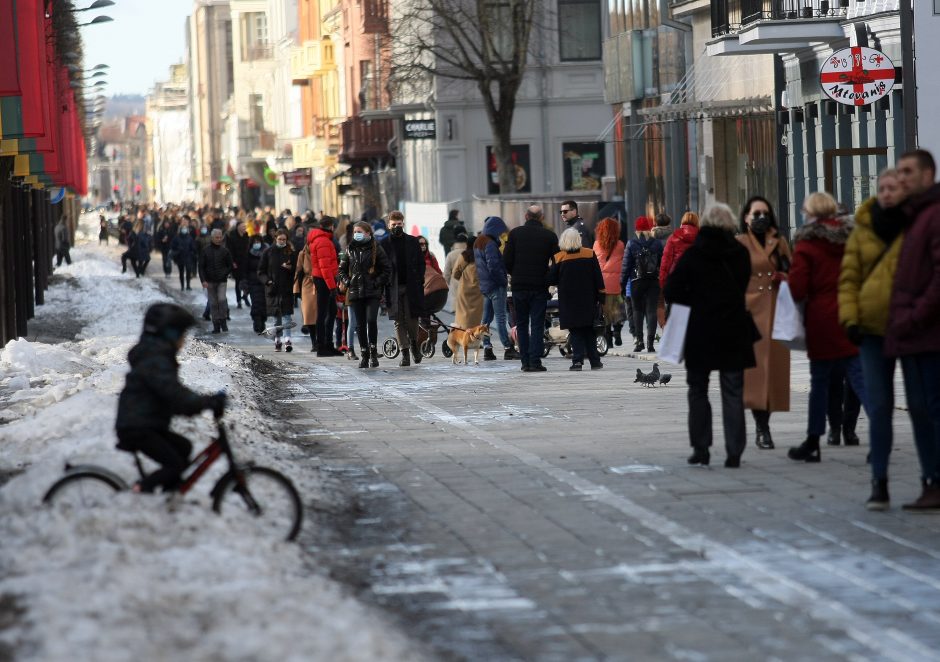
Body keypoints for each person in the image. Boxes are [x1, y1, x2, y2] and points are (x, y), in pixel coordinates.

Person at [664, 203, 756, 468]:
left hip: (699, 331)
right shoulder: (740, 254)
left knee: (698, 390)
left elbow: (671, 290)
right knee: (733, 391)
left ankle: (701, 448)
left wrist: (695, 298)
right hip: (733, 329)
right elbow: (743, 284)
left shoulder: (694, 255)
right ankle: (734, 451)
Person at [786, 191, 867, 464]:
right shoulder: (853, 238)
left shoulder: (807, 244)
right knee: (859, 378)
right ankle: (881, 433)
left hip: (821, 318)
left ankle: (813, 440)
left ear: (810, 213)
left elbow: (797, 288)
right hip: (851, 313)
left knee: (820, 382)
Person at [115, 303, 226, 493]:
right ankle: (138, 492)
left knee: (183, 448)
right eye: (182, 334)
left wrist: (195, 404)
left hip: (147, 422)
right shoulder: (155, 359)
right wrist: (204, 403)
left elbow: (169, 395)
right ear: (169, 334)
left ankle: (167, 499)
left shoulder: (157, 354)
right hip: (138, 426)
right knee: (174, 464)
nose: (184, 340)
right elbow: (173, 393)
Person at [885, 149, 940, 511]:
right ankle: (931, 480)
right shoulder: (913, 215)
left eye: (907, 171)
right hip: (914, 332)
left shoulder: (931, 215)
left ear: (926, 175)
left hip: (925, 332)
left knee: (929, 410)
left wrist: (913, 317)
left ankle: (935, 481)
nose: (901, 178)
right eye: (899, 171)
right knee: (921, 410)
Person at [738, 196, 792, 450]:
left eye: (765, 213)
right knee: (756, 375)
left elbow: (792, 270)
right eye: (756, 214)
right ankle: (762, 428)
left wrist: (785, 275)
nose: (761, 218)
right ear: (746, 217)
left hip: (775, 313)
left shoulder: (779, 241)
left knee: (773, 374)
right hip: (749, 314)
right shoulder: (739, 243)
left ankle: (765, 423)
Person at [504, 205, 560, 372]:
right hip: (539, 287)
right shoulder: (550, 236)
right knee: (537, 324)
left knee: (521, 324)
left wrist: (515, 274)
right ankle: (535, 361)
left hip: (519, 287)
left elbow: (506, 261)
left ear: (526, 216)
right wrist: (548, 279)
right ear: (541, 217)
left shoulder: (514, 234)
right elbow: (557, 262)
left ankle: (525, 362)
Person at [548, 228, 605, 371]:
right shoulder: (589, 253)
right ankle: (595, 361)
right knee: (589, 330)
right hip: (588, 299)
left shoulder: (559, 257)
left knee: (575, 331)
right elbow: (598, 277)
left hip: (568, 300)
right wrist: (601, 296)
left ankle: (577, 361)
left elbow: (551, 279)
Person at [339, 221, 391, 368]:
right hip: (355, 292)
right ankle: (364, 354)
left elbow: (386, 269)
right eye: (355, 232)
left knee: (371, 320)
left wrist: (376, 283)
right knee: (360, 325)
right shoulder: (350, 248)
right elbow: (341, 269)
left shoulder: (376, 247)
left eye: (360, 232)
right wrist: (347, 281)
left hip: (372, 292)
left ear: (368, 233)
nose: (357, 234)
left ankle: (373, 352)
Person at [381, 210, 426, 367]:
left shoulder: (412, 241)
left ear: (403, 224)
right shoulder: (384, 244)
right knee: (399, 321)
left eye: (399, 224)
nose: (396, 227)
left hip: (411, 286)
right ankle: (405, 353)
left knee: (412, 318)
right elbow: (382, 265)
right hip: (393, 287)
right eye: (393, 225)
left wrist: (419, 278)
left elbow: (421, 263)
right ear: (388, 225)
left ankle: (414, 344)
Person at [621, 216, 664, 353]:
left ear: (636, 229)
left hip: (636, 282)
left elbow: (626, 266)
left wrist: (622, 284)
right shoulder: (657, 244)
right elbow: (662, 264)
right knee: (651, 311)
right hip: (653, 282)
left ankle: (639, 342)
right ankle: (650, 344)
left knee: (637, 311)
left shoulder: (631, 243)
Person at [474, 216, 514, 362]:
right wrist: (503, 281)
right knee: (501, 318)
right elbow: (494, 266)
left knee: (486, 320)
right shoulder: (490, 244)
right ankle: (508, 347)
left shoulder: (478, 243)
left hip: (486, 286)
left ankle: (487, 348)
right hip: (496, 286)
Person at [307, 216, 342, 357]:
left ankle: (328, 344)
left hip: (323, 279)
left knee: (331, 311)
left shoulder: (322, 239)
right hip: (324, 281)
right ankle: (322, 347)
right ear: (331, 226)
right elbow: (325, 267)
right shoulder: (323, 241)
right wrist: (332, 287)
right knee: (323, 314)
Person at [259, 229, 298, 352]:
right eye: (280, 239)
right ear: (275, 239)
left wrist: (290, 268)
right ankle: (277, 340)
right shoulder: (268, 252)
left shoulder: (290, 252)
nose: (282, 241)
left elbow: (296, 270)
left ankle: (287, 339)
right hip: (273, 289)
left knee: (286, 315)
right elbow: (261, 271)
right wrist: (268, 281)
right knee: (276, 316)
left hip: (286, 288)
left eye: (284, 240)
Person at [593, 217, 625, 347]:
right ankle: (617, 331)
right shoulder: (620, 245)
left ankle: (608, 337)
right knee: (616, 309)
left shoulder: (596, 244)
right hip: (616, 283)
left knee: (605, 311)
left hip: (602, 283)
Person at [198, 228, 234, 334]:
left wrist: (225, 273)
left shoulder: (225, 251)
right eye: (216, 237)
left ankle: (223, 320)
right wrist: (203, 280)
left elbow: (230, 265)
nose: (219, 239)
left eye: (220, 237)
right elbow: (201, 267)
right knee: (213, 303)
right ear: (212, 238)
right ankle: (216, 325)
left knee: (222, 299)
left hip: (222, 280)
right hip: (210, 281)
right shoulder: (205, 250)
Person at [660, 212, 699, 289]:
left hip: (676, 279)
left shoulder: (673, 237)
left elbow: (666, 261)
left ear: (682, 222)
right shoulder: (701, 238)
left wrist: (663, 282)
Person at [451, 242, 484, 330]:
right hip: (478, 290)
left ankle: (462, 334)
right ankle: (473, 334)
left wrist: (461, 279)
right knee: (476, 314)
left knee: (462, 314)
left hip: (464, 289)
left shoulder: (465, 255)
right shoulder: (482, 255)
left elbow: (455, 272)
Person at [419, 235, 448, 323]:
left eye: (425, 243)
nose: (423, 245)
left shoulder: (431, 257)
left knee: (426, 315)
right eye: (421, 244)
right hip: (418, 288)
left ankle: (426, 333)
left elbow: (438, 271)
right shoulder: (412, 257)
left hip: (429, 290)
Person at [244, 235, 268, 334]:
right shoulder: (248, 254)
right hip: (253, 282)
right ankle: (257, 322)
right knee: (256, 303)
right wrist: (245, 282)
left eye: (258, 242)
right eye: (255, 242)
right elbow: (245, 269)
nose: (256, 244)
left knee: (264, 303)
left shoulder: (266, 253)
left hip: (264, 282)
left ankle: (263, 321)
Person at [227, 221, 250, 309]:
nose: (244, 228)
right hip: (236, 262)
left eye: (245, 226)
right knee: (238, 282)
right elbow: (230, 250)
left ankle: (245, 296)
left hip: (246, 262)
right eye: (242, 226)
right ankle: (238, 301)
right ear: (237, 227)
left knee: (247, 281)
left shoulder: (246, 236)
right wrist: (232, 262)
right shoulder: (232, 236)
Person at [170, 218, 196, 291]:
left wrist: (192, 253)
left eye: (185, 229)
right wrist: (177, 249)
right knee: (181, 272)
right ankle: (182, 286)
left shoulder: (189, 238)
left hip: (188, 257)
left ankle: (188, 285)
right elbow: (172, 246)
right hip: (180, 257)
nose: (184, 230)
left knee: (188, 271)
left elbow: (193, 247)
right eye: (183, 229)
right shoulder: (176, 237)